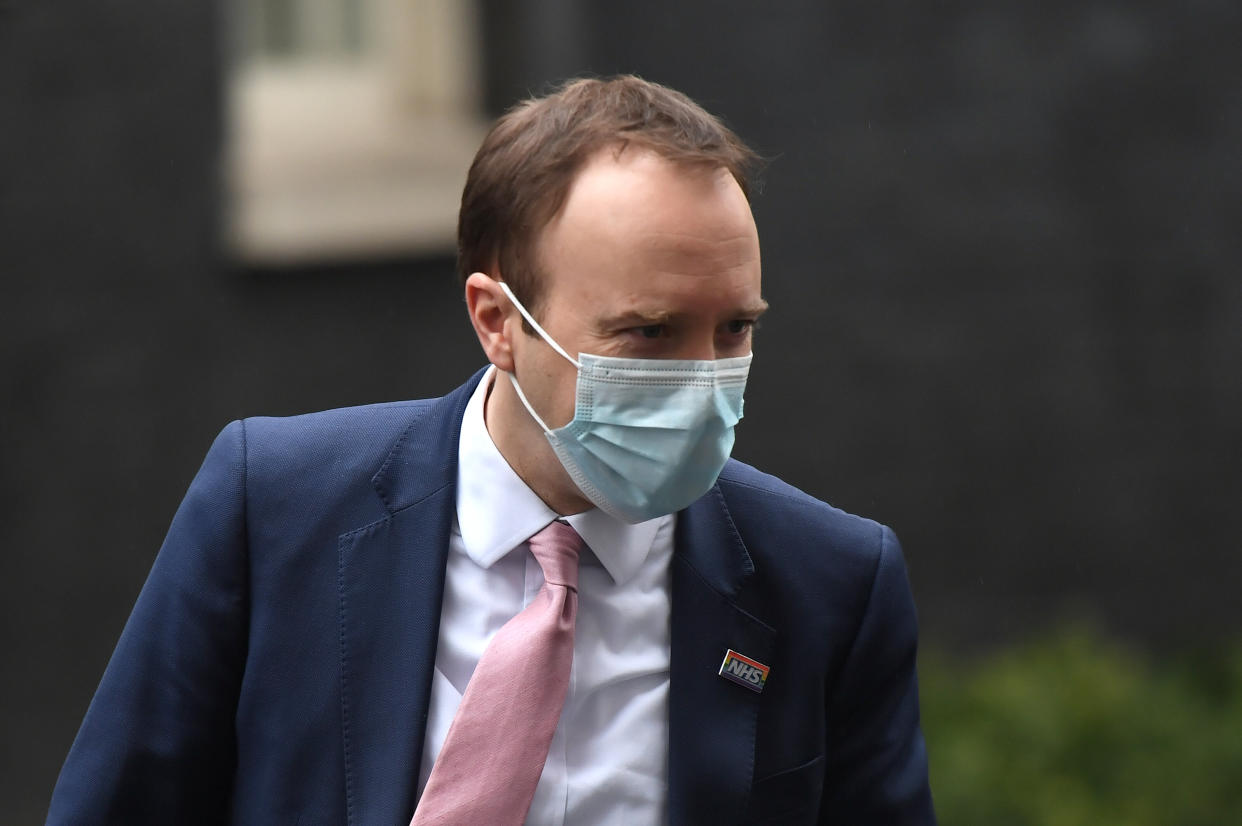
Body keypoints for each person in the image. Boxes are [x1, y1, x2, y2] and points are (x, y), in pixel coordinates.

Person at [47, 76, 935, 825]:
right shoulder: (275, 507)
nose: (703, 380)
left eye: (734, 328)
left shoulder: (831, 582)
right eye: (650, 332)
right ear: (498, 321)